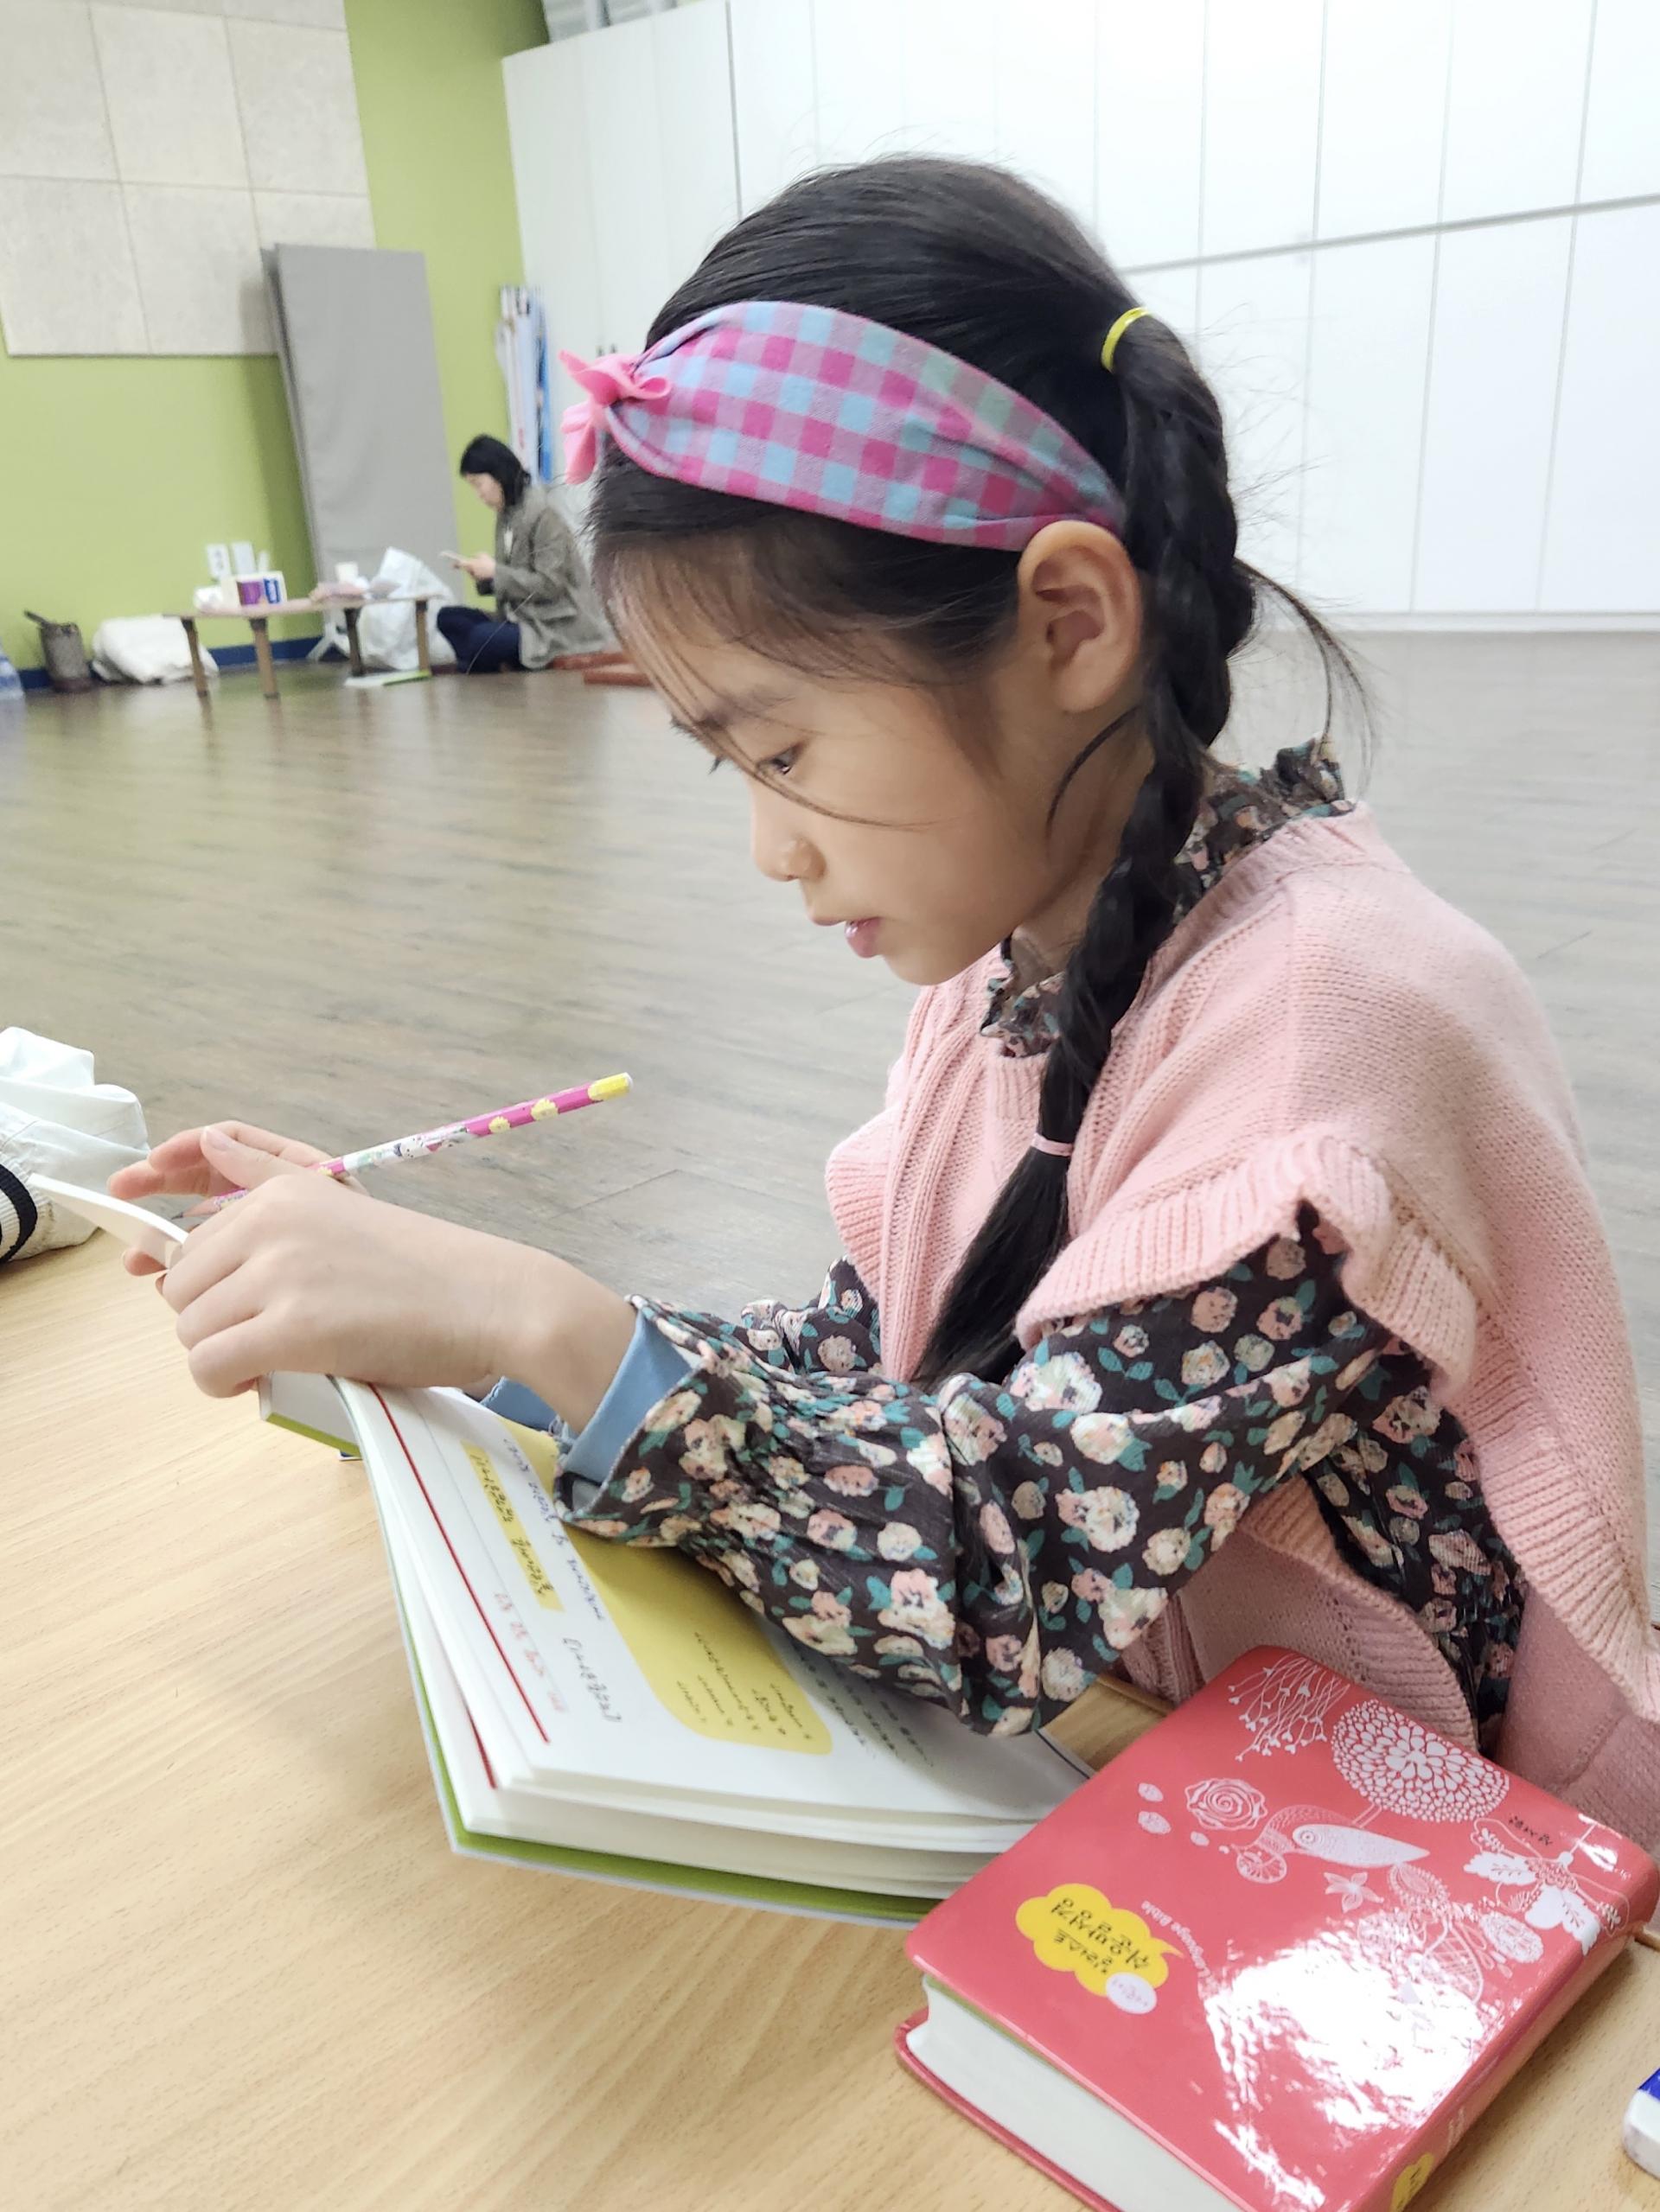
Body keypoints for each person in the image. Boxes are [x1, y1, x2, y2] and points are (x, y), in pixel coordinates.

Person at [109, 159, 1658, 1846]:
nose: (771, 846)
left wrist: (536, 1319)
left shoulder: (1324, 1033)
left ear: (1070, 621)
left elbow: (1009, 1580)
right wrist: (454, 1312)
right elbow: (885, 1354)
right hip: (1187, 1749)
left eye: (783, 750)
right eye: (732, 767)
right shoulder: (1027, 955)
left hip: (1437, 1855)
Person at [437, 433, 610, 673]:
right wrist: (484, 576)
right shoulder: (506, 514)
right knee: (447, 618)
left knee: (480, 638)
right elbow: (513, 577)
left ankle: (482, 659)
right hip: (521, 618)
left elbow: (550, 585)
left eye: (478, 484)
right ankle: (485, 658)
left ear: (497, 474)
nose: (479, 495)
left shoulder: (543, 513)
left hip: (555, 623)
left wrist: (495, 572)